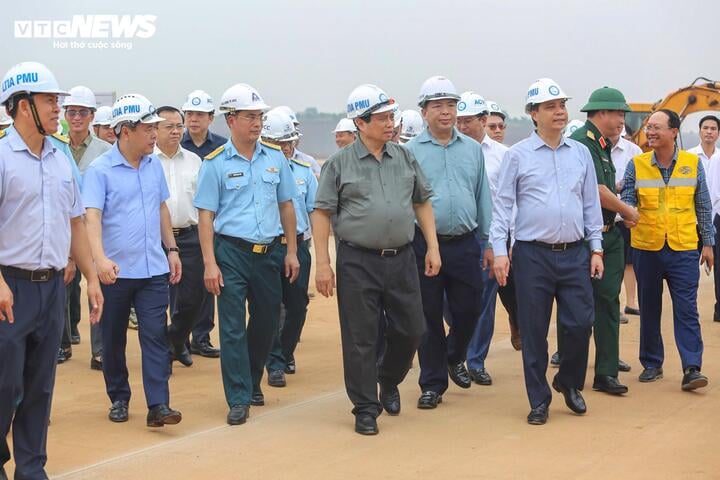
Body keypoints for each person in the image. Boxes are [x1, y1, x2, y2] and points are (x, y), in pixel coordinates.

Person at [313, 83, 440, 435]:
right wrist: (323, 263)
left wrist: (432, 246)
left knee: (413, 329)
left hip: (401, 258)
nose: (390, 124)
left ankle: (388, 378)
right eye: (382, 118)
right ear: (361, 123)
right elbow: (322, 213)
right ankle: (365, 407)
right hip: (357, 261)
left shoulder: (404, 156)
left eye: (391, 117)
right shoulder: (339, 164)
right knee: (360, 337)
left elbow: (422, 201)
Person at [0, 61, 103, 480]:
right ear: (23, 105)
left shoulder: (61, 160)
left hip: (52, 290)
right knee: (5, 386)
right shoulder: (3, 158)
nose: (58, 108)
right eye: (49, 101)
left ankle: (30, 467)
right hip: (9, 289)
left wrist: (92, 278)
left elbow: (75, 222)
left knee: (41, 386)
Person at [491, 78, 604, 425]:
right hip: (532, 255)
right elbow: (503, 206)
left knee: (580, 323)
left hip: (574, 253)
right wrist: (500, 251)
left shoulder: (581, 153)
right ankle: (538, 400)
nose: (560, 112)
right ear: (533, 114)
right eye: (551, 107)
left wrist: (596, 248)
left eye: (562, 105)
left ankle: (568, 382)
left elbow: (590, 203)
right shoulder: (517, 156)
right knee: (534, 329)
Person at [193, 83, 300, 426]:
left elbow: (287, 205)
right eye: (250, 117)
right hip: (231, 253)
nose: (257, 123)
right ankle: (239, 397)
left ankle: (253, 379)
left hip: (269, 253)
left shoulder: (275, 158)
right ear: (231, 120)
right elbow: (206, 216)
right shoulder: (215, 163)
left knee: (267, 321)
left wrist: (292, 251)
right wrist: (210, 263)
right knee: (232, 327)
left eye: (260, 116)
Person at [83, 93, 184, 427]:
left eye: (156, 127)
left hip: (153, 269)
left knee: (155, 335)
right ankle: (119, 397)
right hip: (115, 272)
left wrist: (171, 250)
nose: (155, 134)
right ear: (126, 131)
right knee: (112, 339)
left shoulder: (154, 165)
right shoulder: (100, 171)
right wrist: (99, 260)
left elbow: (160, 208)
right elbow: (91, 218)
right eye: (148, 128)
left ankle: (159, 405)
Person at [406, 76, 491, 409]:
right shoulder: (409, 152)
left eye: (451, 105)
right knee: (427, 316)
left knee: (469, 309)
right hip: (424, 244)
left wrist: (488, 242)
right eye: (438, 106)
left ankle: (455, 355)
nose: (446, 112)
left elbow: (482, 195)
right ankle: (432, 384)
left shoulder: (472, 149)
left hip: (465, 242)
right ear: (424, 112)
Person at [621, 109, 713, 391]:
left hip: (683, 247)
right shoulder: (636, 165)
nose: (650, 132)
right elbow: (627, 199)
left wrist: (708, 242)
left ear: (674, 132)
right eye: (649, 127)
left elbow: (703, 205)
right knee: (649, 308)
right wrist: (627, 212)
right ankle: (651, 363)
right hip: (646, 248)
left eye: (657, 127)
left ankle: (692, 367)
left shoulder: (691, 164)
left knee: (686, 309)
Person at [568, 87, 639, 395]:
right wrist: (628, 211)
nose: (622, 120)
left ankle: (606, 371)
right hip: (586, 238)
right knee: (580, 307)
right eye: (618, 114)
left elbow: (607, 185)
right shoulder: (584, 142)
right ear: (600, 114)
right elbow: (596, 190)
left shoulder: (602, 145)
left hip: (609, 236)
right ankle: (573, 370)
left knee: (609, 304)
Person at [452, 90, 513, 386]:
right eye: (458, 121)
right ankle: (456, 352)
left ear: (483, 120)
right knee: (451, 301)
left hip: (488, 237)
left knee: (484, 302)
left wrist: (502, 243)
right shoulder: (451, 151)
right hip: (456, 236)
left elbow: (509, 201)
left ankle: (475, 361)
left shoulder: (503, 156)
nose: (462, 127)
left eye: (468, 121)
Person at [261, 109, 318, 387]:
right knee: (270, 306)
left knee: (297, 306)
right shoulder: (258, 170)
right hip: (268, 247)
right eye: (278, 143)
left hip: (297, 246)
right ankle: (275, 362)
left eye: (289, 142)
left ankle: (285, 351)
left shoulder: (305, 172)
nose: (285, 148)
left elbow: (315, 211)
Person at [61, 85, 112, 370]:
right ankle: (63, 343)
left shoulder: (105, 151)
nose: (77, 117)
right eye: (72, 112)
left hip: (94, 228)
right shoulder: (55, 146)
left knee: (98, 286)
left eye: (82, 112)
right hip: (62, 228)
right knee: (61, 287)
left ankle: (100, 350)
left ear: (92, 116)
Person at [154, 106, 208, 368]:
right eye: (169, 126)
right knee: (154, 300)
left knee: (193, 297)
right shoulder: (147, 161)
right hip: (154, 239)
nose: (176, 131)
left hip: (189, 236)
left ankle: (175, 338)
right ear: (155, 128)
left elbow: (204, 203)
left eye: (179, 126)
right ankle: (162, 353)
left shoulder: (194, 161)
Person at [180, 90, 225, 359]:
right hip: (184, 224)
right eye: (190, 114)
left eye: (199, 115)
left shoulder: (221, 147)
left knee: (208, 282)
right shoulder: (176, 144)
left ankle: (202, 336)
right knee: (180, 284)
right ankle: (180, 337)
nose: (193, 119)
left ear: (211, 118)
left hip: (212, 225)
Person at [689, 115, 720, 321]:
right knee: (689, 266)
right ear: (700, 131)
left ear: (718, 133)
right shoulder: (688, 157)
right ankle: (689, 308)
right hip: (692, 219)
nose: (709, 132)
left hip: (717, 217)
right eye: (705, 128)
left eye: (713, 128)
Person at [611, 126, 643, 324]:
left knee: (628, 262)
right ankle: (612, 307)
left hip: (626, 219)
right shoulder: (590, 148)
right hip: (600, 220)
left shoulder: (634, 151)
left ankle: (631, 302)